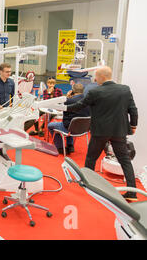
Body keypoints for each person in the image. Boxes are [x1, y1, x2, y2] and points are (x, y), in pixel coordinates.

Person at [65, 66, 138, 202]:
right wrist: (133, 125)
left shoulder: (95, 91)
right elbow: (133, 109)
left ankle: (88, 185)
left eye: (96, 76)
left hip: (100, 131)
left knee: (91, 158)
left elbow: (80, 105)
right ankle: (132, 193)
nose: (94, 79)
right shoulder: (125, 90)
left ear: (102, 77)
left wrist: (63, 107)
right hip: (119, 131)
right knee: (125, 161)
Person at [47, 83, 89, 154]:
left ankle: (60, 148)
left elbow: (59, 109)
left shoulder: (68, 101)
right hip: (84, 129)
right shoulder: (88, 100)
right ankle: (70, 145)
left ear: (72, 90)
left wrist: (67, 97)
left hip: (69, 128)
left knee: (50, 125)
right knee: (71, 122)